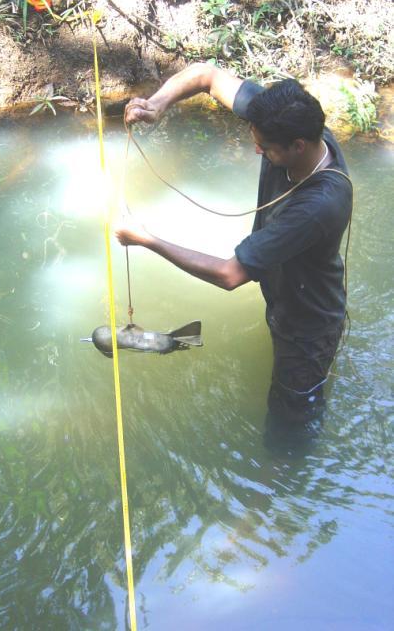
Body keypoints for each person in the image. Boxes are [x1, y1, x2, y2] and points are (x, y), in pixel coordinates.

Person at [116, 63, 353, 430]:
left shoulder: (317, 205)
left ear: (298, 146)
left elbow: (230, 275)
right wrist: (157, 103)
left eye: (265, 148)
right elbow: (207, 76)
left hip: (307, 327)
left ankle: (275, 481)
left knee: (290, 421)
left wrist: (146, 239)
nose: (257, 150)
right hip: (287, 291)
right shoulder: (286, 117)